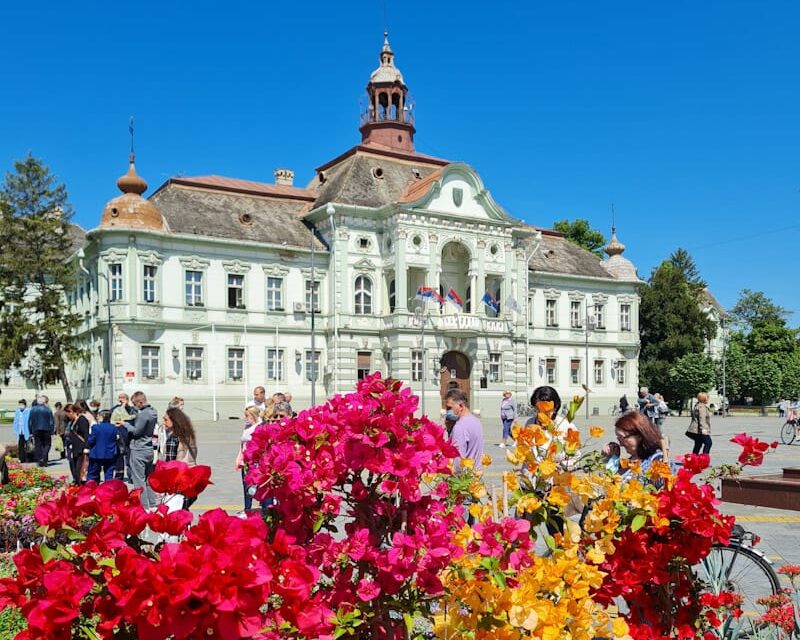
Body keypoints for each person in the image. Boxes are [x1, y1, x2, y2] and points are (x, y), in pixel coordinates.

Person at [603, 411, 666, 485]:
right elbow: (610, 482)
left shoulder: (656, 461)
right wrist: (610, 458)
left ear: (639, 436)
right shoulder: (633, 459)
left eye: (622, 438)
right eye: (618, 438)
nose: (620, 444)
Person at [127, 391, 158, 508]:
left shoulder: (143, 414)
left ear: (140, 402)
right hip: (148, 448)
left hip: (138, 449)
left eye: (135, 404)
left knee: (139, 480)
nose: (135, 406)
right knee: (148, 479)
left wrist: (125, 425)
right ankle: (153, 504)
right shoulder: (153, 411)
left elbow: (136, 432)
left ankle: (143, 507)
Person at [445, 389, 484, 471]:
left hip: (464, 478)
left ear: (461, 406)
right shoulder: (476, 421)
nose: (447, 411)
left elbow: (458, 458)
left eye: (449, 407)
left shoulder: (460, 426)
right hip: (476, 474)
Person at [87, 410, 119, 482]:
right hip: (110, 453)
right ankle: (108, 490)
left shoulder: (96, 427)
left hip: (96, 454)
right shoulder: (113, 427)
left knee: (92, 474)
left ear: (103, 417)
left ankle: (91, 490)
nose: (97, 417)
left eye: (98, 416)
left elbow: (91, 440)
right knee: (109, 474)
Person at [111, 392, 137, 481]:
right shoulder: (115, 409)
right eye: (120, 397)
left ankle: (131, 476)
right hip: (118, 436)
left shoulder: (131, 409)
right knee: (118, 456)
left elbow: (134, 418)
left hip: (129, 436)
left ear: (127, 399)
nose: (121, 399)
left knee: (130, 457)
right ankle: (119, 475)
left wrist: (126, 406)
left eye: (123, 398)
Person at [64, 402, 92, 484]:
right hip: (74, 448)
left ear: (71, 412)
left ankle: (80, 486)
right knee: (75, 468)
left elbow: (86, 434)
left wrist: (86, 447)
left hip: (81, 448)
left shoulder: (82, 420)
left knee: (80, 469)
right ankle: (77, 484)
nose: (67, 416)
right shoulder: (73, 421)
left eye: (67, 414)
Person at [29, 395, 55, 467]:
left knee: (38, 444)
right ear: (44, 402)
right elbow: (51, 421)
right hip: (46, 429)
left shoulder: (33, 409)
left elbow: (30, 421)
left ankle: (40, 460)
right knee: (47, 444)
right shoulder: (48, 409)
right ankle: (44, 457)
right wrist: (52, 431)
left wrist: (30, 431)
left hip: (36, 429)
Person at [686, 391, 713, 455]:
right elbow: (702, 419)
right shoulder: (702, 407)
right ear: (704, 399)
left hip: (694, 430)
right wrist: (703, 429)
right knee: (708, 443)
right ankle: (704, 459)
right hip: (699, 430)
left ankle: (694, 458)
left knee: (698, 444)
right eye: (707, 398)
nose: (708, 399)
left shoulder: (697, 405)